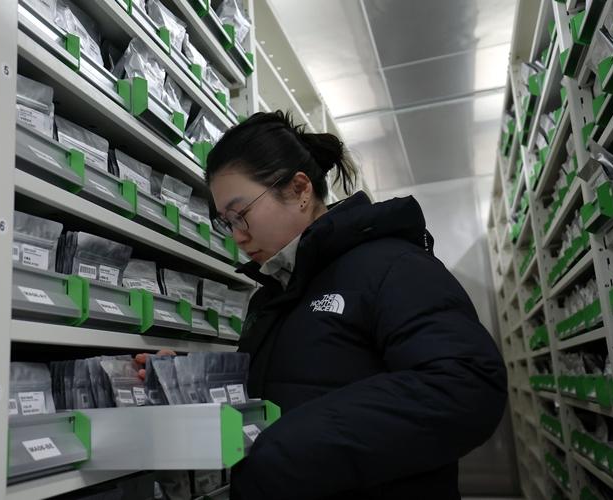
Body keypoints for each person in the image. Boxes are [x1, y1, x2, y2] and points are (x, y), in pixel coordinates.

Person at [137, 111, 507, 499]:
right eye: (226, 222)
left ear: (299, 190)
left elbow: (466, 383)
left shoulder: (391, 265)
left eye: (241, 214)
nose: (238, 237)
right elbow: (281, 390)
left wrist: (286, 448)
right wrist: (186, 381)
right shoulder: (273, 295)